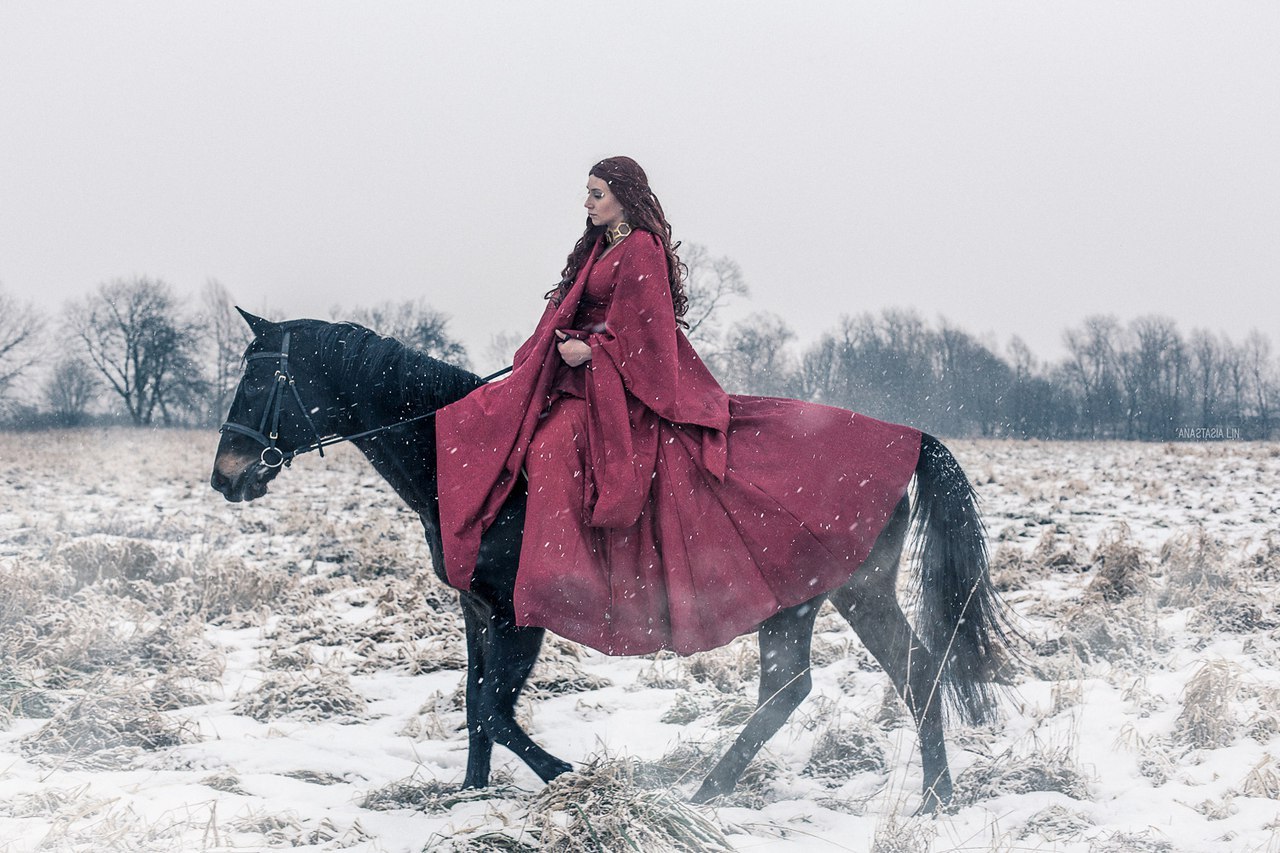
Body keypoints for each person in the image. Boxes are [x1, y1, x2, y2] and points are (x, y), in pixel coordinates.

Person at [436, 157, 921, 656]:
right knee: (503, 420)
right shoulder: (598, 247)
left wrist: (593, 352)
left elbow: (649, 341)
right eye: (587, 192)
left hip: (621, 390)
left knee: (553, 447)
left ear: (624, 195)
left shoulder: (640, 249)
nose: (587, 203)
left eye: (597, 193)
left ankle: (567, 577)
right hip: (579, 378)